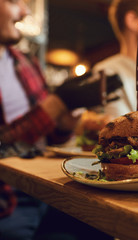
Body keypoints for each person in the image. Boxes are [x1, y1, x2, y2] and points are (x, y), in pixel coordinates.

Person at [0, 0, 119, 239]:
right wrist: (55, 104)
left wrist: (65, 122)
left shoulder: (25, 62)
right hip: (8, 201)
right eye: (14, 1)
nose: (24, 11)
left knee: (106, 226)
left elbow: (49, 137)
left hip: (45, 188)